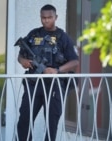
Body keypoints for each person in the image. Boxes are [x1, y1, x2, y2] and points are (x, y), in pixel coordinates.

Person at [16, 4, 79, 141]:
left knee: (51, 124)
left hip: (54, 86)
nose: (46, 20)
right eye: (43, 18)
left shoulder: (63, 37)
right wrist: (23, 62)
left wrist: (57, 70)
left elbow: (74, 61)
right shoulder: (33, 34)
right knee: (24, 120)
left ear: (56, 17)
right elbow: (20, 56)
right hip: (34, 84)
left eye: (49, 17)